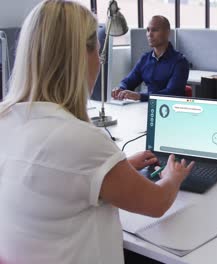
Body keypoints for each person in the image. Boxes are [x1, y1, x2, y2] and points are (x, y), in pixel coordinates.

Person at [0, 2, 194, 264]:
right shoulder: (80, 140)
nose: (100, 62)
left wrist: (117, 168)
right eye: (97, 52)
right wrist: (173, 176)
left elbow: (60, 178)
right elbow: (157, 203)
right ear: (81, 56)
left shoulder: (5, 118)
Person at [112, 15, 189, 102]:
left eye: (155, 30)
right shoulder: (145, 59)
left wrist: (140, 96)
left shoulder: (180, 62)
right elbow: (128, 80)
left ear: (167, 32)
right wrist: (121, 88)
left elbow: (171, 93)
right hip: (146, 107)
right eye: (148, 30)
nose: (149, 34)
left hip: (169, 109)